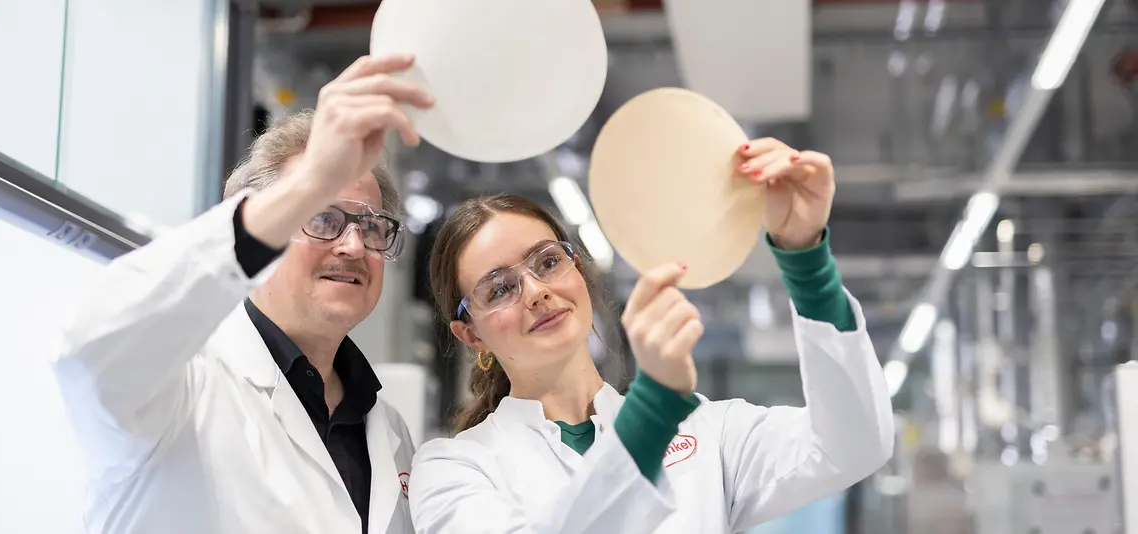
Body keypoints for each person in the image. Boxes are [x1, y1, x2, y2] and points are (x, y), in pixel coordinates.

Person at [410, 138, 895, 534]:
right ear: (471, 335)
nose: (536, 291)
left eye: (548, 261)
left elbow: (851, 445)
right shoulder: (454, 468)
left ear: (578, 271)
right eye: (499, 288)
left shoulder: (704, 431)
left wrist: (805, 258)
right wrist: (655, 405)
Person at [53, 53, 434, 534]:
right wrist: (312, 179)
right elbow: (93, 348)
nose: (354, 246)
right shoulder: (183, 387)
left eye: (372, 226)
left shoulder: (387, 427)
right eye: (322, 217)